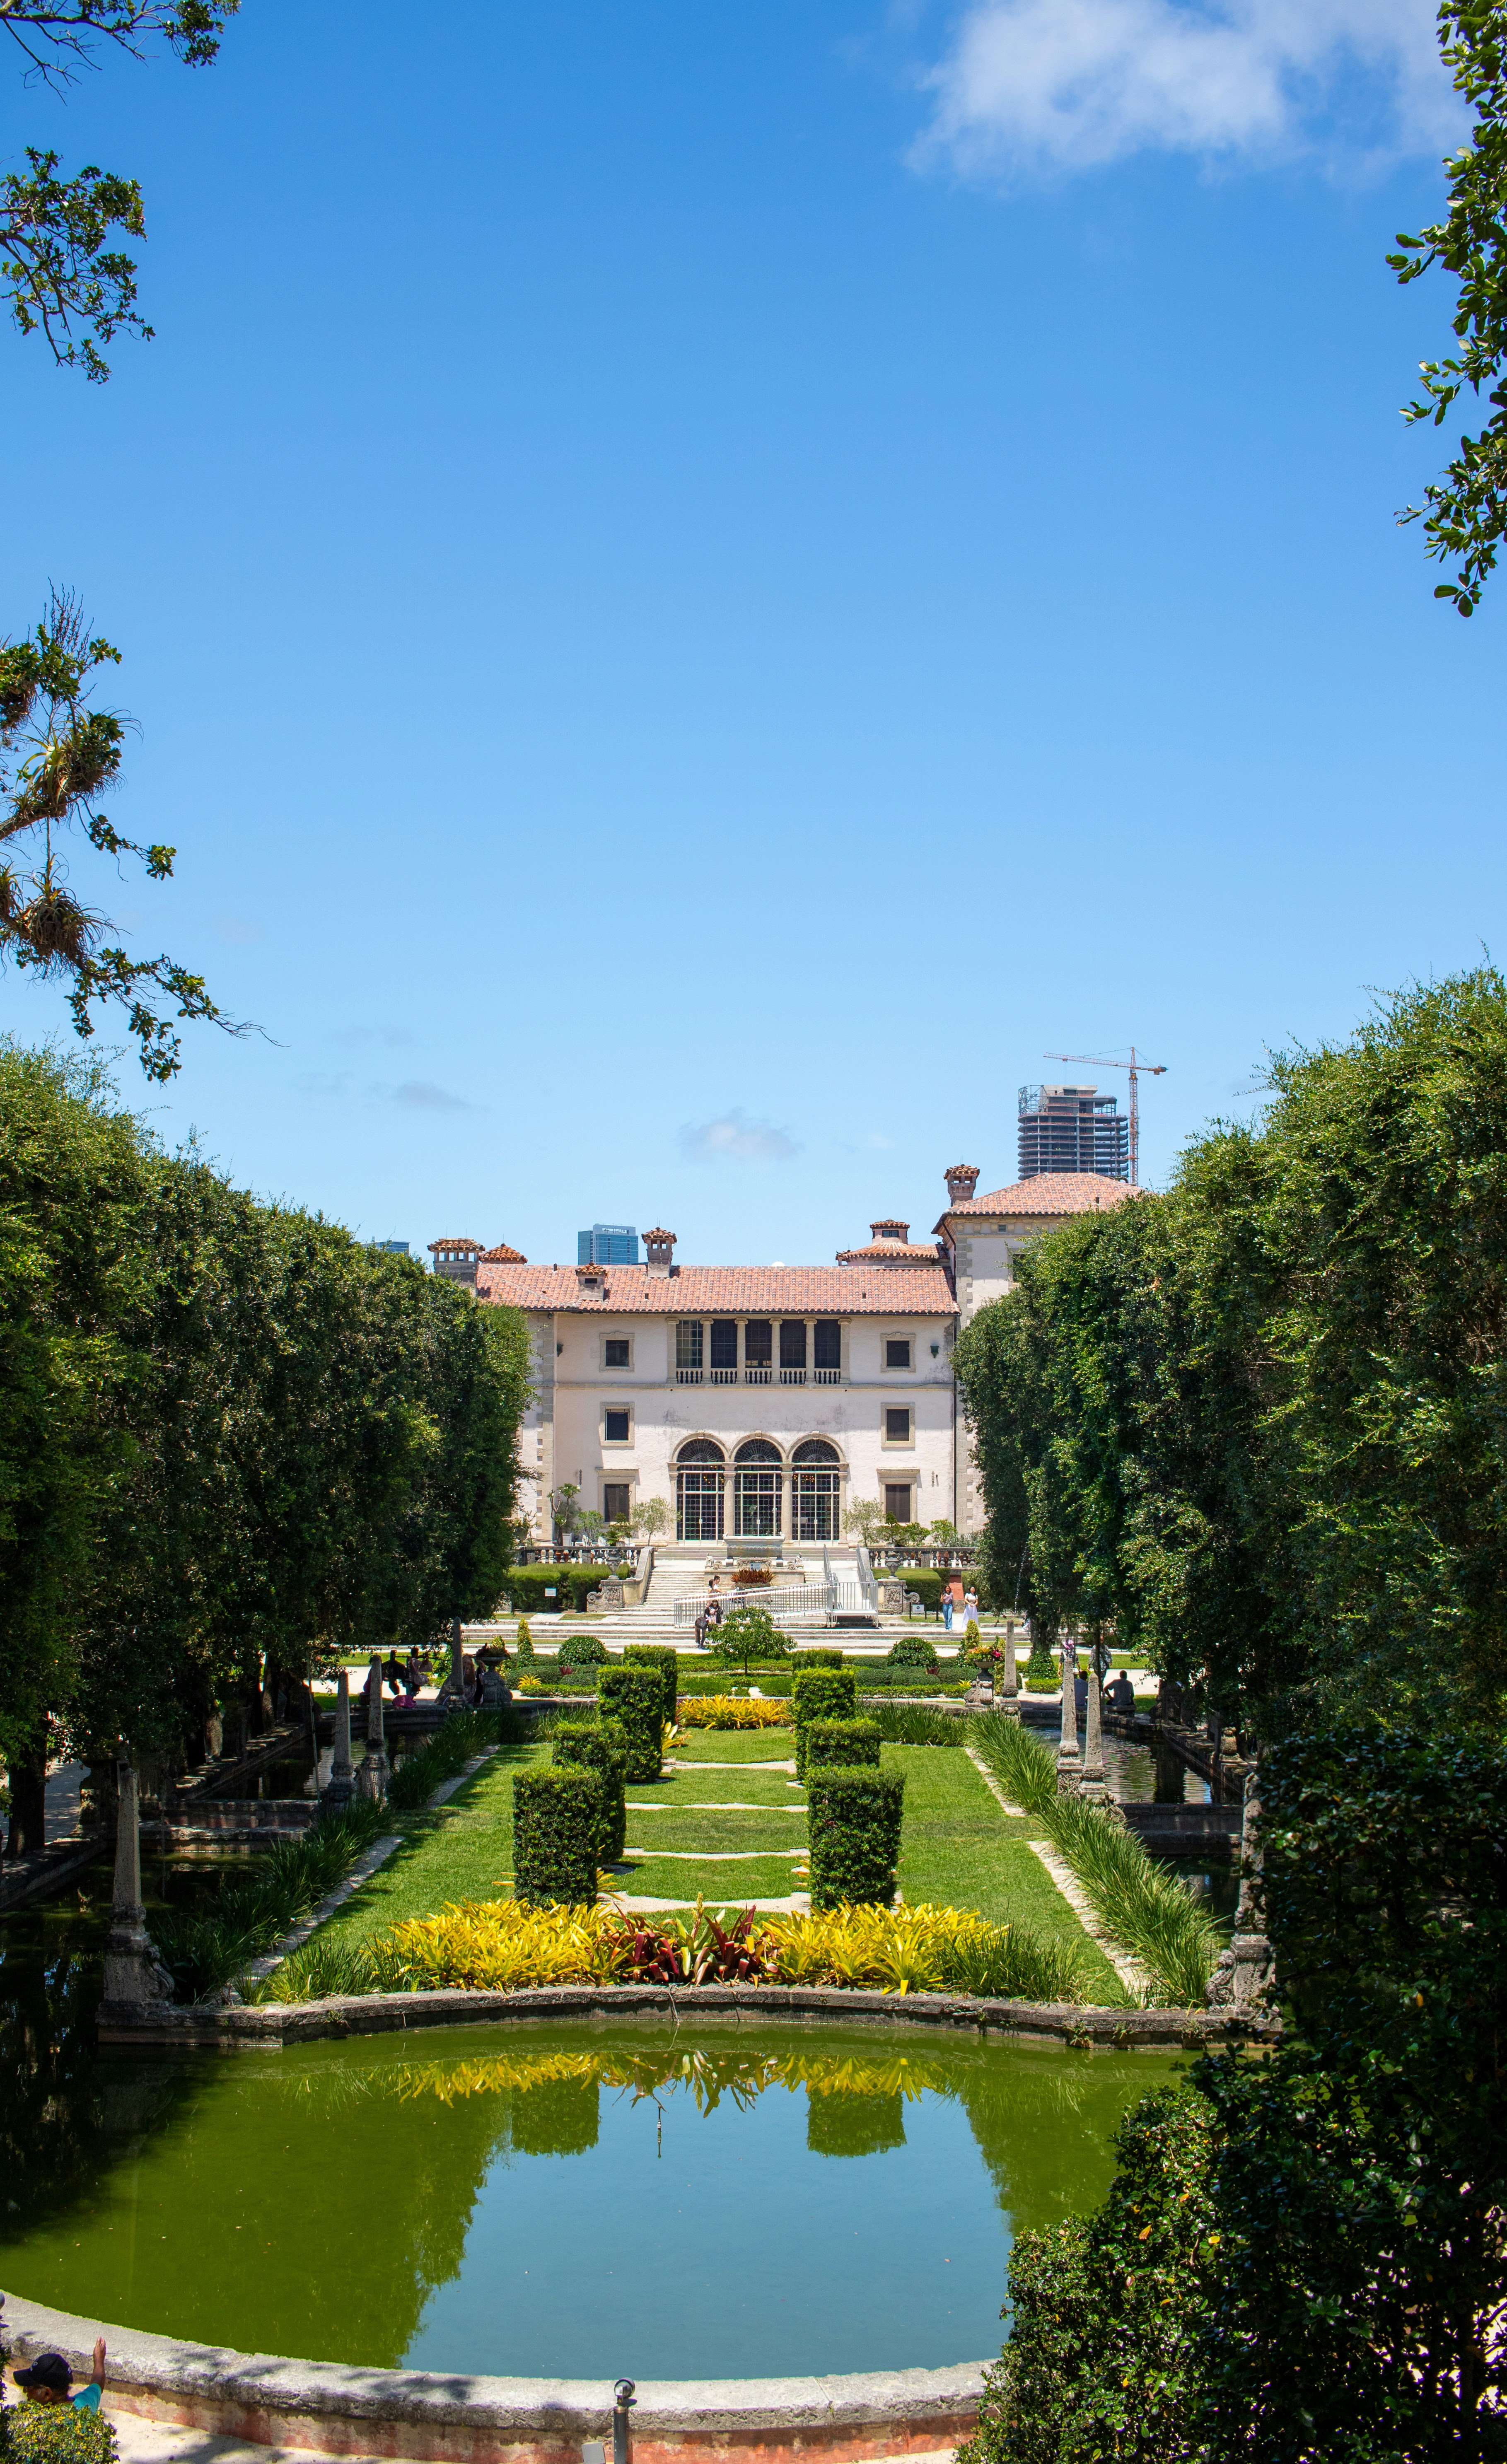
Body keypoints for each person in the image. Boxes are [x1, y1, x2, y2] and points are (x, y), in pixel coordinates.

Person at [11, 2340, 106, 2411]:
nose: (25, 2390)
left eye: (30, 2387)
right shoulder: (84, 2404)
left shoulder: (43, 2429)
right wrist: (99, 2360)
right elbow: (98, 2384)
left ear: (47, 2394)